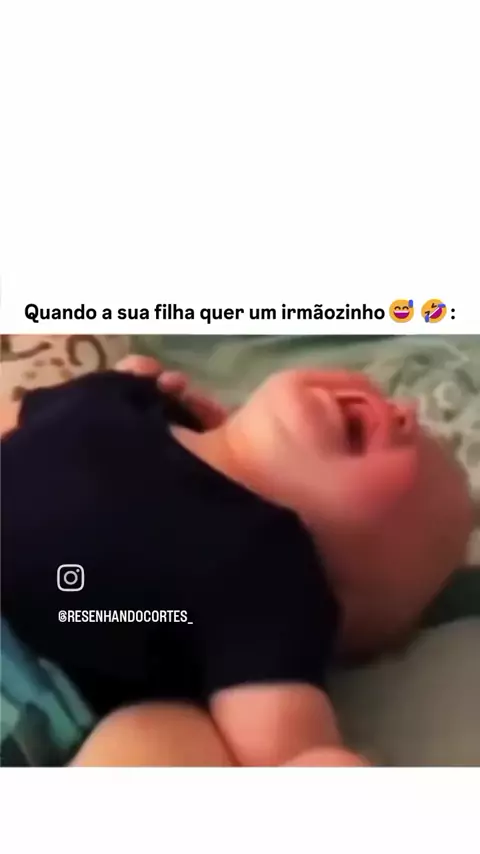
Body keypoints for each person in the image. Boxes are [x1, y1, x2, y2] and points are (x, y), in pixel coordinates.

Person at [1, 356, 473, 767]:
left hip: (26, 702)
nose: (407, 411)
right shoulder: (120, 399)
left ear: (341, 610)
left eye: (424, 482)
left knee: (168, 735)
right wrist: (115, 384)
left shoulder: (277, 579)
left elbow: (279, 744)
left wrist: (312, 760)